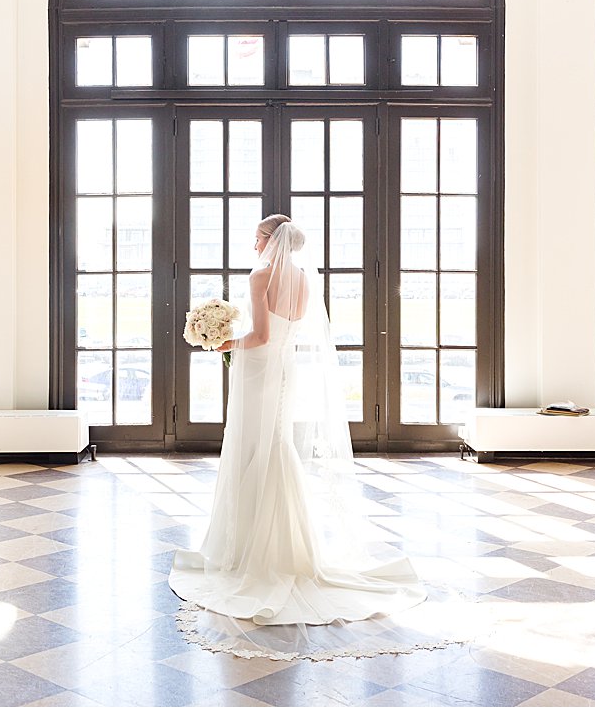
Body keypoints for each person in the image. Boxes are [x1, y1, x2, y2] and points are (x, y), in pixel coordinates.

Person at [169, 214, 424, 656]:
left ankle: (248, 552)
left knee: (251, 446)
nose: (253, 246)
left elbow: (260, 336)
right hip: (284, 371)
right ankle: (290, 549)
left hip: (259, 369)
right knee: (275, 445)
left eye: (256, 238)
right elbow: (286, 333)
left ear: (270, 241)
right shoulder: (303, 279)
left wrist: (221, 344)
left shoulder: (259, 275)